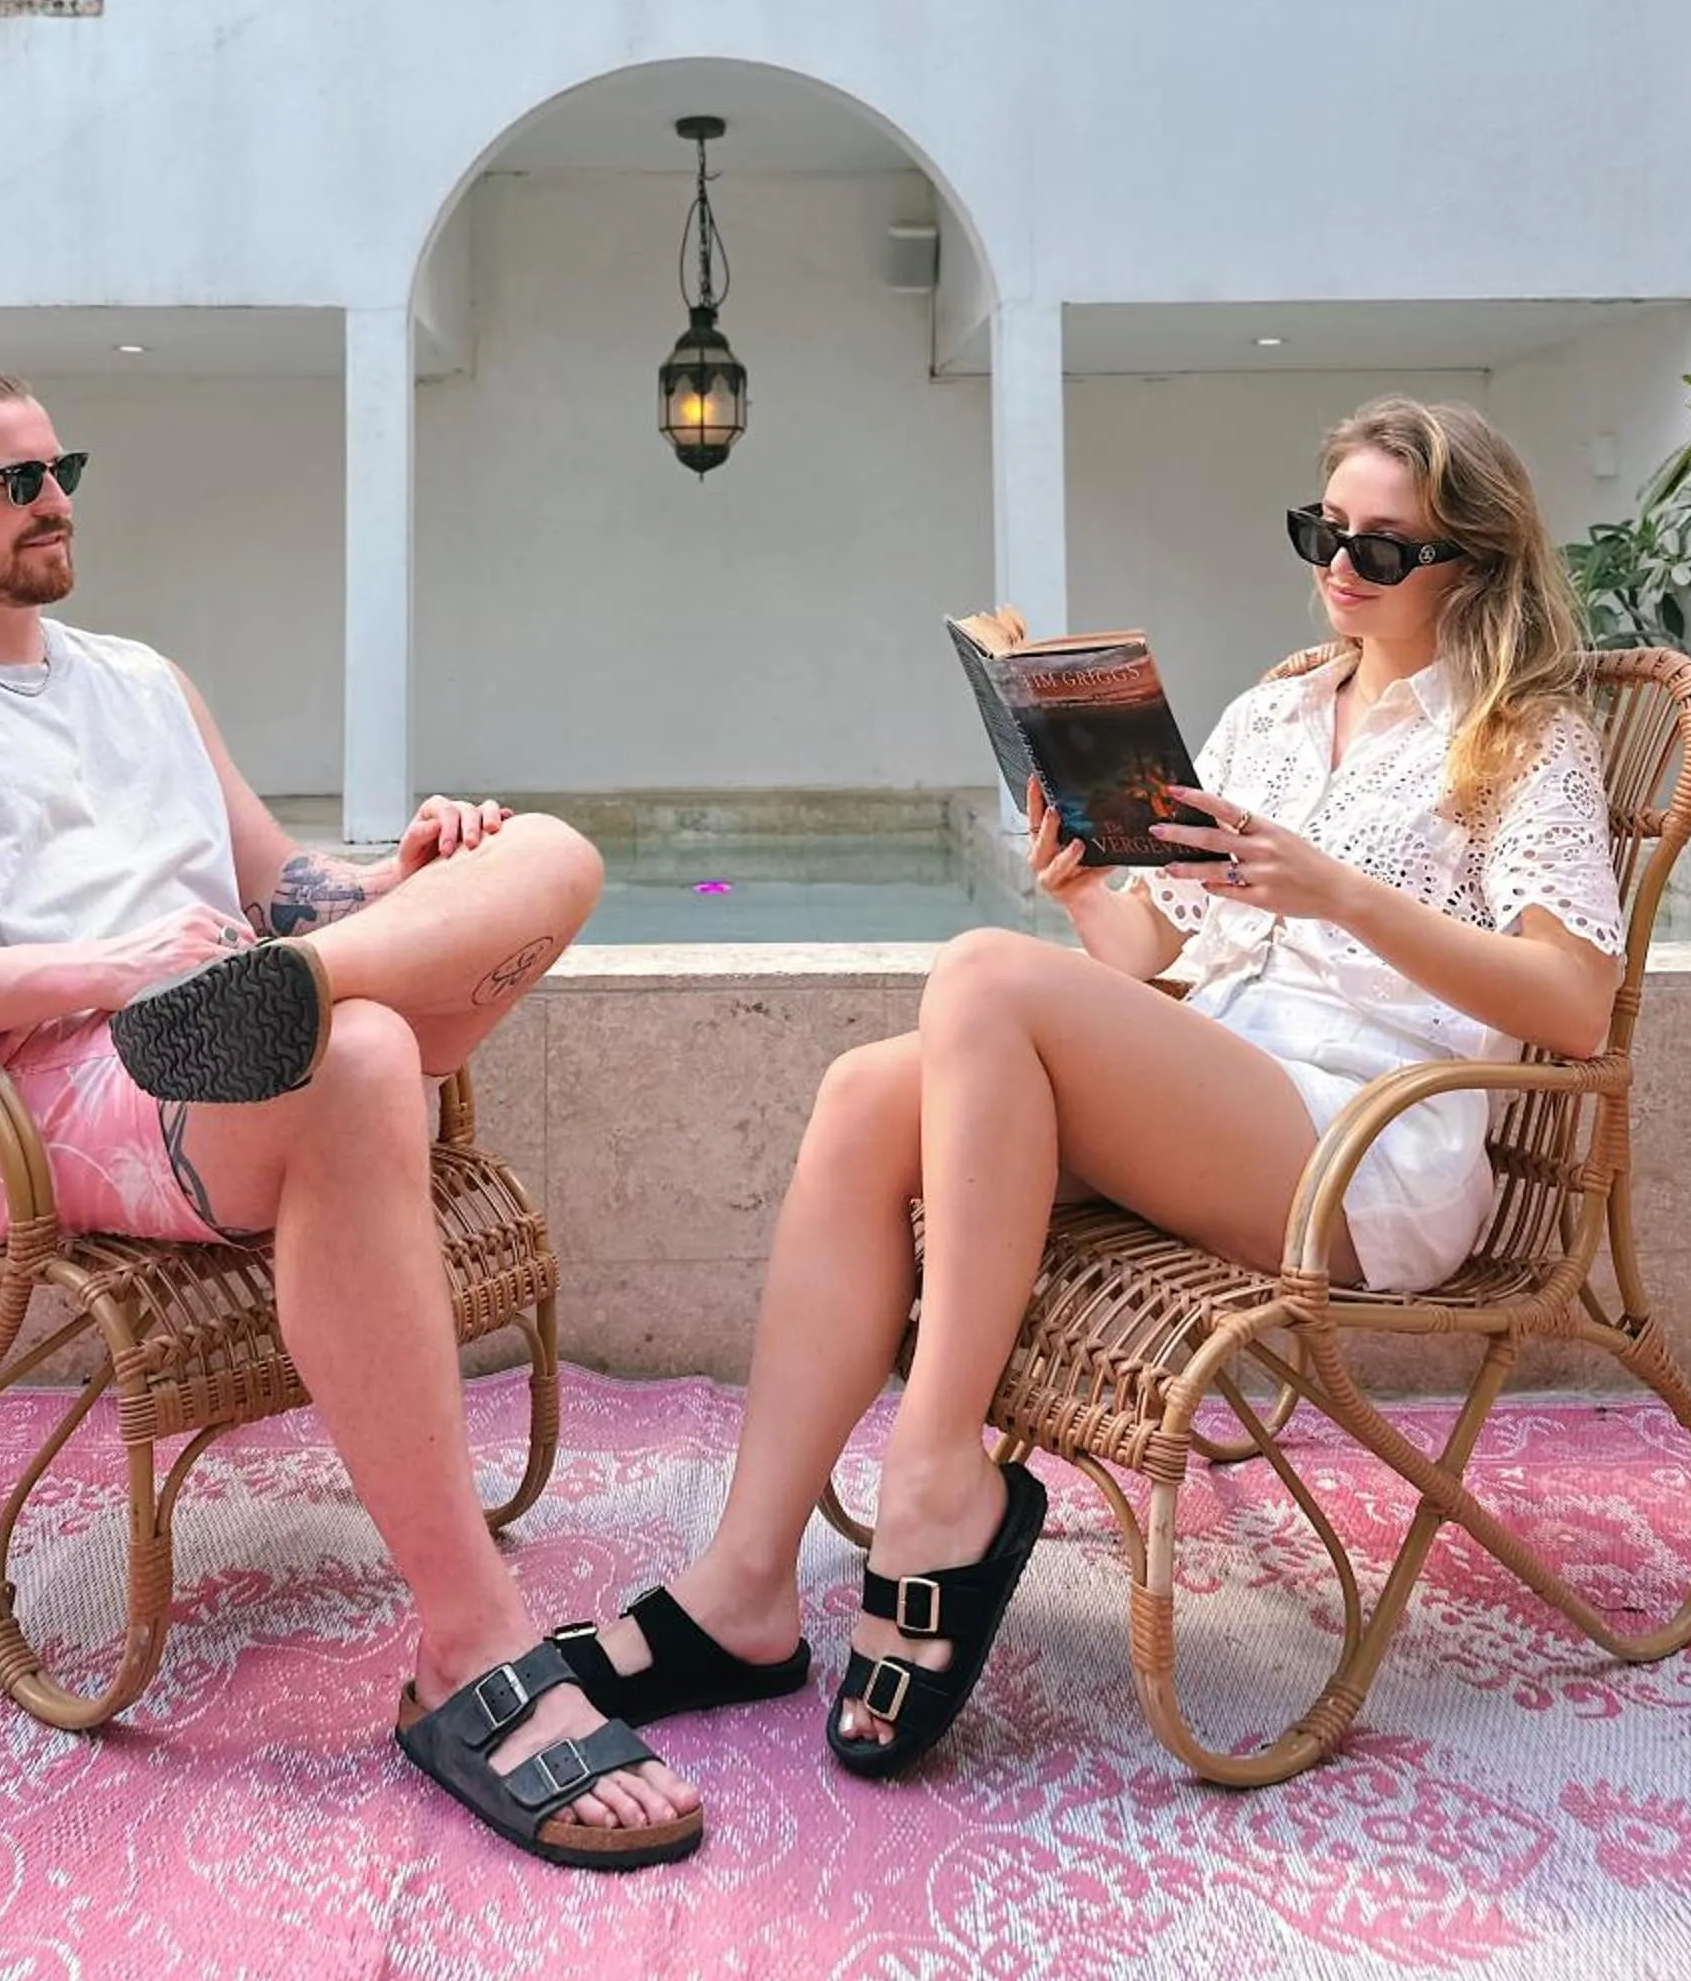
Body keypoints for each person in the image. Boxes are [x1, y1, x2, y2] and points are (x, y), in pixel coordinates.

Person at [548, 397, 1627, 1778]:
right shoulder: (1277, 712)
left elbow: (1571, 1005)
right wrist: (1078, 888)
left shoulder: (1521, 737)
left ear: (1473, 563)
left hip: (1365, 1146)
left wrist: (1340, 894)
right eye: (1323, 533)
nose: (1341, 569)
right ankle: (743, 1589)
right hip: (1225, 1084)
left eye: (1383, 548)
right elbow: (1155, 959)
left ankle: (934, 1471)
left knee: (981, 976)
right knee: (867, 1096)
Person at [0, 356, 701, 1873]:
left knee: (549, 856)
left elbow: (278, 883)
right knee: (361, 1058)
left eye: (63, 472)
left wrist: (402, 884)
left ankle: (291, 1001)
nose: (55, 502)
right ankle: (471, 1641)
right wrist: (99, 971)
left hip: (216, 1041)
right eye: (16, 481)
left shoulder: (139, 680)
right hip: (13, 1093)